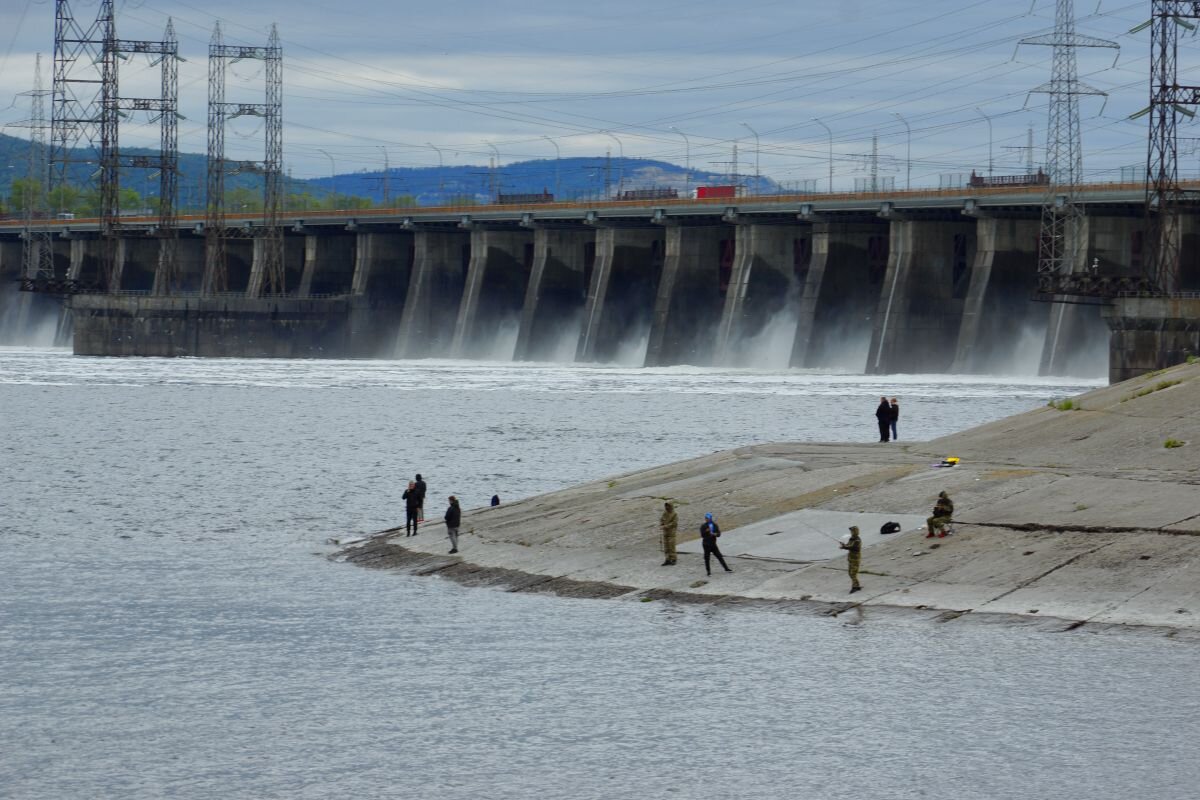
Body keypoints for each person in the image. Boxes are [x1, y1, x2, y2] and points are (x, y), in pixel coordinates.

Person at [839, 525, 863, 593]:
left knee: (853, 573)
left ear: (855, 532)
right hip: (851, 558)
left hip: (855, 559)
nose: (851, 532)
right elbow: (849, 545)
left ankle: (855, 587)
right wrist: (844, 545)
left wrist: (844, 547)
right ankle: (856, 585)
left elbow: (852, 547)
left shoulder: (857, 540)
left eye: (852, 531)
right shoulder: (852, 538)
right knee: (850, 573)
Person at [659, 501, 678, 566]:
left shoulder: (675, 514)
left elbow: (674, 523)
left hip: (671, 533)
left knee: (671, 546)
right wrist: (661, 524)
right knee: (666, 547)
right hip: (665, 533)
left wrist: (665, 526)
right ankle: (667, 559)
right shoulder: (665, 513)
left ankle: (673, 559)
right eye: (666, 506)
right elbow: (661, 519)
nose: (667, 507)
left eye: (668, 506)